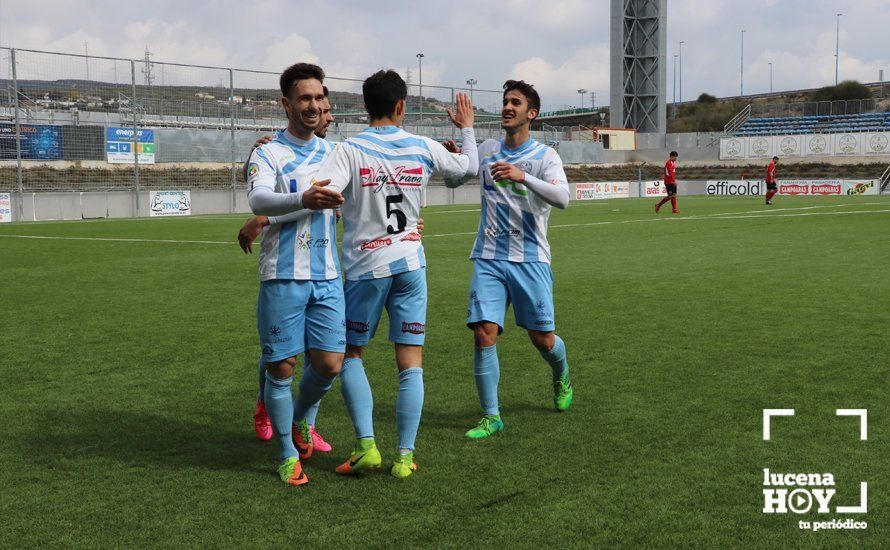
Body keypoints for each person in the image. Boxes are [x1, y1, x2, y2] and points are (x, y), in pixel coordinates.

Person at [313, 69, 479, 478]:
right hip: (411, 264)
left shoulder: (350, 149)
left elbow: (324, 192)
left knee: (352, 354)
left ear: (366, 106)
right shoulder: (422, 146)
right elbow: (468, 169)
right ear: (401, 106)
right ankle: (405, 458)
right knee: (411, 362)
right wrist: (468, 129)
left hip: (366, 267)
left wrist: (348, 205)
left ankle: (367, 446)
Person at [443, 79, 573, 440]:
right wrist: (457, 161)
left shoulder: (545, 156)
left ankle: (561, 372)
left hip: (531, 259)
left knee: (543, 340)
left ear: (531, 113)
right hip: (489, 256)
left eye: (515, 102)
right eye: (505, 101)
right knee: (484, 334)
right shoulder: (485, 149)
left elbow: (563, 198)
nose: (507, 107)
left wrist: (523, 176)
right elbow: (457, 181)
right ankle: (491, 416)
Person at [244, 62, 346, 486]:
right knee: (284, 367)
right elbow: (259, 200)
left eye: (319, 97)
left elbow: (359, 202)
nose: (314, 104)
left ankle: (301, 421)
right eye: (305, 98)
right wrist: (300, 199)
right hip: (283, 275)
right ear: (286, 104)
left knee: (329, 365)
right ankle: (288, 452)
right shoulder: (267, 152)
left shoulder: (338, 153)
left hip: (327, 274)